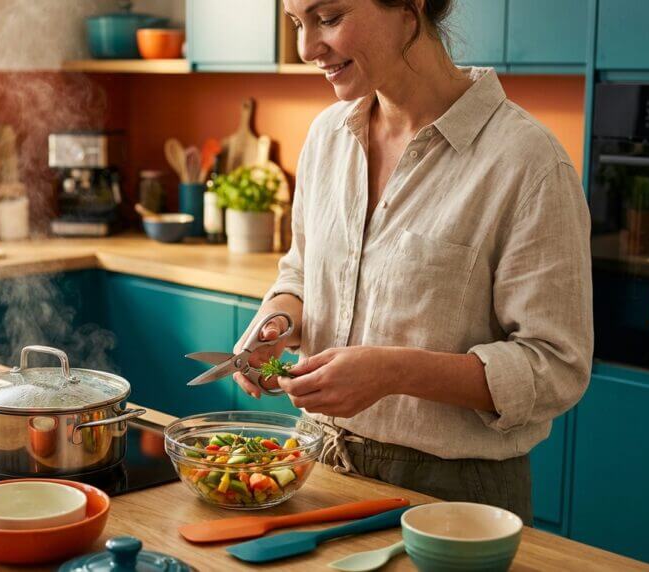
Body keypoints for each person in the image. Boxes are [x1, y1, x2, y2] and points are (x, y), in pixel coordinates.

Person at [233, 0, 593, 524]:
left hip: (455, 493)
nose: (307, 48)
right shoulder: (326, 137)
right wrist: (280, 320)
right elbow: (302, 271)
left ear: (409, 7)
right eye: (296, 24)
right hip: (317, 465)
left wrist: (395, 371)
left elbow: (556, 367)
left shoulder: (528, 162)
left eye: (329, 18)